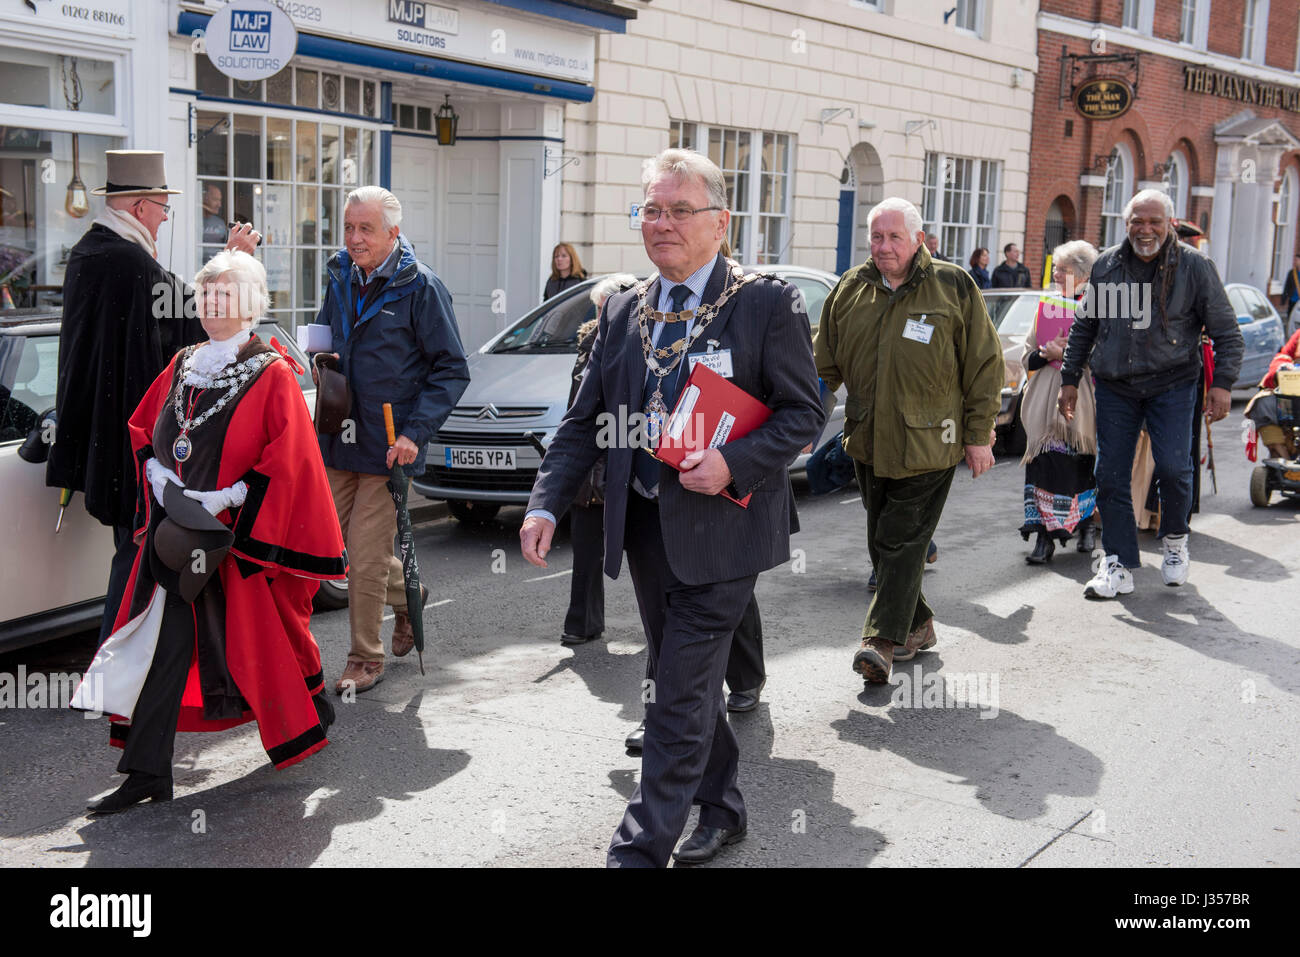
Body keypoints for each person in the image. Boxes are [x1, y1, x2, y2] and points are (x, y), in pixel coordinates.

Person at [520, 148, 824, 867]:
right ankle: (722, 807)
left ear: (721, 222)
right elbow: (583, 419)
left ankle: (636, 853)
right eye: (651, 209)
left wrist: (733, 461)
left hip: (724, 532)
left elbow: (804, 412)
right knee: (684, 681)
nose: (662, 223)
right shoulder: (625, 307)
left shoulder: (765, 303)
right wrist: (544, 503)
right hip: (648, 530)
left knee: (674, 698)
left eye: (680, 209)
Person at [72, 250, 347, 814]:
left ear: (249, 304)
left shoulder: (271, 373)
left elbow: (288, 459)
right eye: (205, 293)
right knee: (163, 644)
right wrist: (156, 469)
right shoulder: (183, 363)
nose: (210, 303)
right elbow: (147, 427)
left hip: (238, 539)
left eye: (224, 294)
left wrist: (226, 497)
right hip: (178, 533)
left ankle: (310, 706)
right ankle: (147, 770)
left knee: (266, 641)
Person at [47, 150, 258, 645]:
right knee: (137, 555)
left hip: (103, 435)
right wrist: (237, 261)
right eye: (164, 207)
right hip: (130, 443)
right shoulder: (126, 259)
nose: (165, 218)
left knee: (135, 552)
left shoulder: (90, 250)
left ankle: (130, 664)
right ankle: (118, 667)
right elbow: (199, 319)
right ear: (140, 207)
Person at [815, 197, 1003, 684]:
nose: (883, 246)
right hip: (867, 439)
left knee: (899, 541)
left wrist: (979, 436)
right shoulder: (851, 289)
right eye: (876, 237)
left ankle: (878, 641)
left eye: (894, 236)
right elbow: (823, 366)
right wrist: (800, 421)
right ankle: (917, 626)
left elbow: (984, 364)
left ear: (918, 239)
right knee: (885, 541)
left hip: (931, 444)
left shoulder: (952, 285)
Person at [312, 186, 470, 693]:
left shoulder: (422, 287)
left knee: (364, 552)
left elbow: (452, 368)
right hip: (339, 434)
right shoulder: (339, 273)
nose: (354, 239)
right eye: (349, 227)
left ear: (393, 233)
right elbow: (325, 333)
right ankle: (409, 595)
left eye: (366, 229)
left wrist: (413, 434)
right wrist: (317, 361)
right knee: (329, 545)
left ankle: (365, 658)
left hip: (388, 445)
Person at [1058, 188, 1242, 598]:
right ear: (1126, 225)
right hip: (1115, 386)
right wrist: (1069, 378)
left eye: (1153, 221)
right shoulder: (1106, 265)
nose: (1145, 229)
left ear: (1169, 224)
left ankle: (1175, 541)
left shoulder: (1195, 268)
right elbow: (1084, 326)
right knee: (1109, 474)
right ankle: (1117, 563)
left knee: (1175, 470)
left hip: (1173, 384)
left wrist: (1224, 385)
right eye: (1137, 221)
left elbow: (1227, 332)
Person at [562, 273, 637, 647]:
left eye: (604, 306)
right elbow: (580, 407)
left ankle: (665, 624)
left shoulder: (637, 338)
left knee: (643, 549)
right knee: (587, 545)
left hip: (628, 451)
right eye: (596, 307)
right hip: (594, 459)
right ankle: (582, 622)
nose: (599, 313)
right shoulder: (590, 341)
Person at [1018, 240, 1100, 564]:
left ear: (1081, 275)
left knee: (1077, 465)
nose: (1055, 274)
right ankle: (1043, 536)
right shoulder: (1046, 306)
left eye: (1062, 270)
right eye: (1054, 269)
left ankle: (1085, 525)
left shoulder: (1096, 308)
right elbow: (1027, 354)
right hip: (1042, 402)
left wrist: (1069, 353)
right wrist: (1044, 353)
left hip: (1079, 401)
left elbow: (1105, 356)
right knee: (1042, 466)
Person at [1245, 327, 1300, 458]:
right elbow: (1282, 356)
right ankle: (1282, 459)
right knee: (1262, 403)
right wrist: (1282, 367)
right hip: (1293, 396)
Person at [201, 182, 227, 247]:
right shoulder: (194, 222)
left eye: (220, 200)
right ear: (204, 198)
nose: (219, 205)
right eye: (215, 200)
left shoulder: (220, 223)